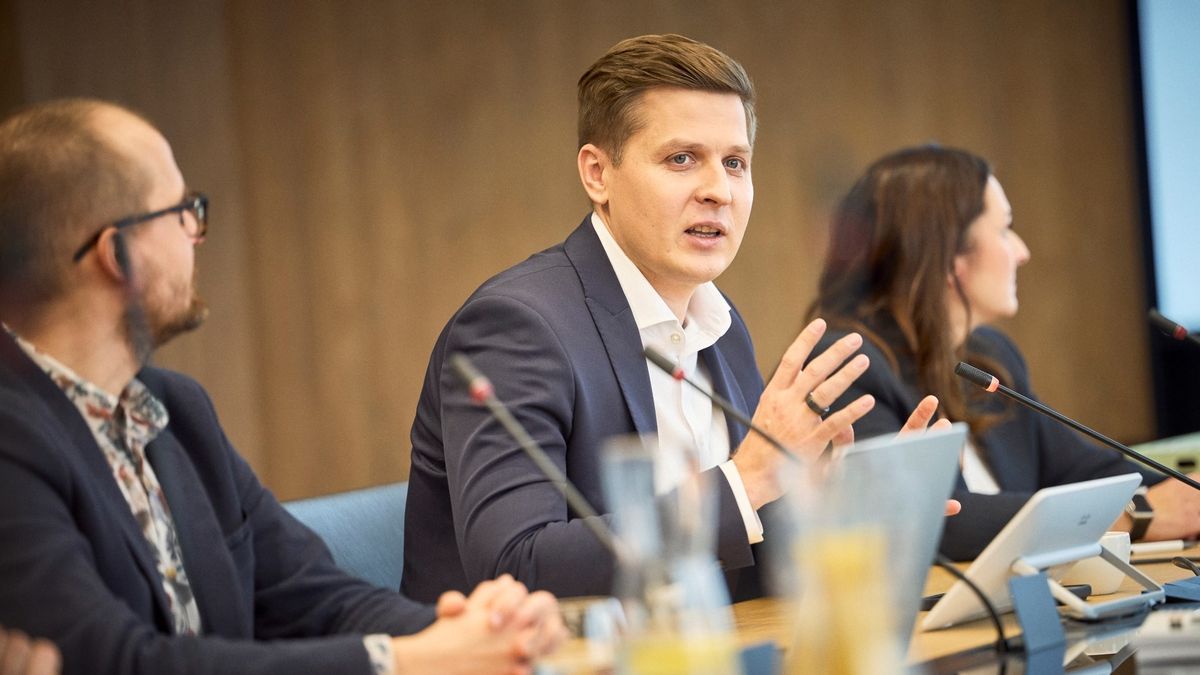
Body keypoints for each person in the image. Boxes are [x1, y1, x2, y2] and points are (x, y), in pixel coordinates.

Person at [0, 98, 565, 674]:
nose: (196, 233)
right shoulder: (12, 439)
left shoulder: (176, 411)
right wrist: (404, 660)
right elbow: (112, 660)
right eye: (182, 212)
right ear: (117, 254)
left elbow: (311, 596)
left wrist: (481, 633)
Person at [401, 34, 945, 603]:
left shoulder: (721, 326)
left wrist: (848, 512)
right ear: (598, 174)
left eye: (735, 163)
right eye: (681, 159)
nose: (718, 191)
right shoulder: (517, 327)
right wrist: (747, 480)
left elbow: (734, 553)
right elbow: (515, 567)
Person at [809, 144, 1200, 560]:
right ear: (948, 257)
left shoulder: (989, 355)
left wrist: (1184, 492)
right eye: (1004, 230)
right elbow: (937, 521)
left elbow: (1082, 468)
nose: (1022, 251)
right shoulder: (847, 363)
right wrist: (1135, 516)